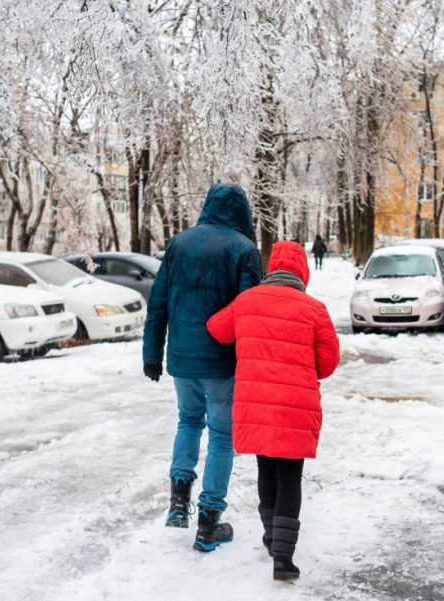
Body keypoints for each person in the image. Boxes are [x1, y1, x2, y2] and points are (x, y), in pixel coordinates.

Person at [206, 241, 340, 580]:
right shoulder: (315, 309)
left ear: (271, 267)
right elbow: (328, 363)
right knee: (290, 476)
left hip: (255, 405)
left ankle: (270, 537)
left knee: (265, 469)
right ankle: (283, 557)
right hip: (296, 407)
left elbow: (216, 328)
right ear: (303, 271)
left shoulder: (246, 301)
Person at [142, 183, 262, 553]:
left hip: (181, 359)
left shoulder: (178, 244)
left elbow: (158, 303)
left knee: (189, 422)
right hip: (222, 361)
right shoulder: (244, 249)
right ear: (242, 211)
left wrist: (152, 354)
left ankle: (179, 503)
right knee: (222, 436)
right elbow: (249, 312)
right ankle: (209, 523)